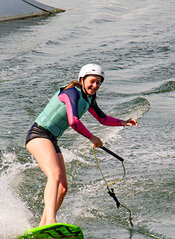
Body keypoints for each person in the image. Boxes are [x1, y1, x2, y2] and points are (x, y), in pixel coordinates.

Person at [25, 64, 138, 226]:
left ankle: (43, 225)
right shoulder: (71, 92)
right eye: (92, 81)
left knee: (63, 188)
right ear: (82, 80)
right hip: (38, 134)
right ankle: (51, 220)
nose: (95, 85)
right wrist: (92, 138)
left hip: (52, 139)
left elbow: (102, 119)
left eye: (99, 83)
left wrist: (123, 122)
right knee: (54, 175)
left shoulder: (89, 99)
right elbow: (73, 121)